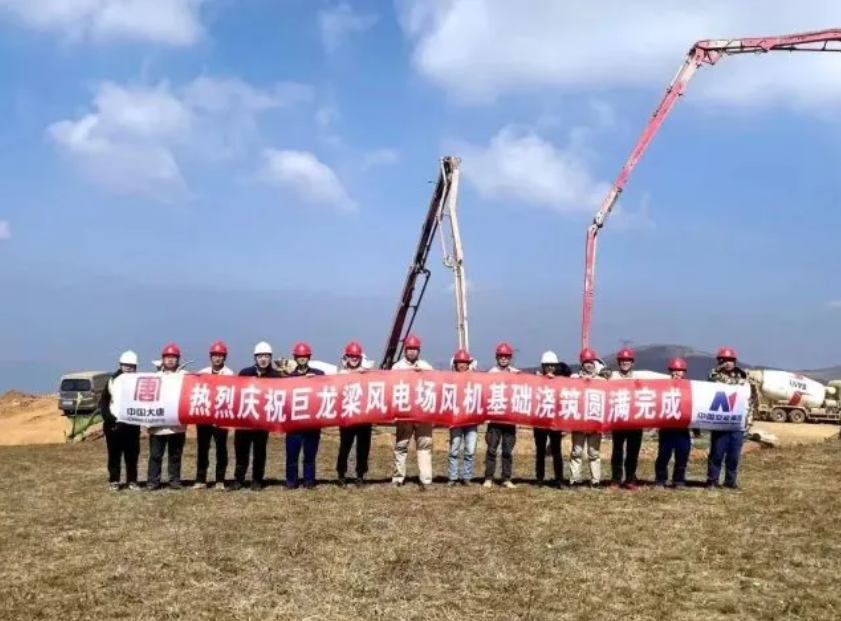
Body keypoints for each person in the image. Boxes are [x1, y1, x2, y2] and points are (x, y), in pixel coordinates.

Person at [234, 341, 282, 491]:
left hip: (262, 422)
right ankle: (239, 480)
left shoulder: (276, 376)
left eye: (266, 356)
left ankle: (257, 480)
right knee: (241, 451)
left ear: (270, 358)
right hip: (244, 420)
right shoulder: (244, 373)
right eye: (260, 356)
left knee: (259, 452)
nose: (263, 359)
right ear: (255, 357)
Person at [391, 334, 434, 490]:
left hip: (423, 413)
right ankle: (398, 478)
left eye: (415, 349)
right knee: (401, 445)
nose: (412, 351)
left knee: (424, 446)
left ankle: (426, 479)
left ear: (419, 350)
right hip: (405, 413)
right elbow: (390, 385)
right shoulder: (397, 367)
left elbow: (436, 383)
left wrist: (423, 373)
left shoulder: (426, 366)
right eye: (409, 348)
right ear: (405, 350)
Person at [193, 341, 234, 490]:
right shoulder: (202, 373)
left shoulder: (230, 374)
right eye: (215, 355)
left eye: (221, 355)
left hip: (221, 417)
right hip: (204, 417)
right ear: (210, 357)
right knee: (202, 448)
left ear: (225, 357)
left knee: (221, 448)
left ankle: (220, 480)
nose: (218, 358)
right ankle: (200, 479)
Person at [706, 346, 749, 489]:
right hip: (720, 422)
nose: (728, 363)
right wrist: (718, 369)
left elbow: (749, 398)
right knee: (717, 453)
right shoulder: (715, 375)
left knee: (734, 455)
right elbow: (710, 378)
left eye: (730, 360)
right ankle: (712, 480)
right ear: (719, 361)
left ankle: (730, 481)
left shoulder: (743, 376)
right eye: (724, 360)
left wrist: (748, 421)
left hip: (737, 423)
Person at [147, 343, 187, 490]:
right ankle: (153, 481)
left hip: (177, 425)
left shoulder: (185, 377)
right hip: (158, 425)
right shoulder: (155, 377)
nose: (170, 360)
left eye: (173, 357)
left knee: (175, 455)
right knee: (155, 455)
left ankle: (174, 480)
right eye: (167, 357)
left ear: (178, 359)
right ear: (162, 359)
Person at [285, 342, 325, 490]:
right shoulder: (290, 378)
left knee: (310, 455)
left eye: (305, 356)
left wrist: (315, 380)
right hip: (294, 424)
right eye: (299, 356)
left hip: (312, 423)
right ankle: (291, 482)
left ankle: (309, 481)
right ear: (295, 358)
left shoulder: (318, 374)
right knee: (292, 455)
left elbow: (327, 387)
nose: (302, 358)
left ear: (309, 357)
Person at [100, 350, 140, 491]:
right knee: (114, 455)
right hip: (113, 425)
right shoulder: (112, 380)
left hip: (132, 424)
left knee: (132, 455)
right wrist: (109, 418)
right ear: (120, 365)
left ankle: (132, 481)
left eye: (132, 365)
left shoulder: (139, 381)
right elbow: (103, 402)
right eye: (126, 365)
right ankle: (114, 481)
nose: (129, 368)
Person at [483, 342, 520, 489]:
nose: (503, 358)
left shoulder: (516, 374)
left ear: (510, 358)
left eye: (506, 356)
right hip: (495, 418)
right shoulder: (490, 374)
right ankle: (488, 478)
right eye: (501, 356)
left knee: (507, 451)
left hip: (510, 419)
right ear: (496, 357)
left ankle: (506, 478)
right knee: (491, 449)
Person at [336, 341, 371, 488]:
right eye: (351, 356)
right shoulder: (340, 374)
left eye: (356, 356)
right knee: (345, 446)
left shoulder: (367, 373)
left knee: (363, 448)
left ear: (360, 357)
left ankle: (360, 475)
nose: (354, 358)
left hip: (364, 417)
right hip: (347, 416)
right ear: (347, 357)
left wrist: (366, 374)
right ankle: (341, 474)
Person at [533, 351, 570, 488]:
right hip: (540, 420)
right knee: (540, 451)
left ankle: (559, 479)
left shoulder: (560, 379)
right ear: (543, 366)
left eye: (552, 365)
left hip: (555, 421)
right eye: (547, 365)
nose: (550, 367)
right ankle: (539, 479)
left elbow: (568, 370)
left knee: (556, 451)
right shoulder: (536, 379)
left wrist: (555, 376)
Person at [569, 347, 605, 488]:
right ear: (582, 363)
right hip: (579, 421)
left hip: (595, 421)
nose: (588, 365)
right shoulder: (574, 379)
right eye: (586, 362)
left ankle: (596, 480)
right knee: (576, 452)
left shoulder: (602, 380)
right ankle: (574, 479)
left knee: (594, 453)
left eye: (591, 362)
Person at [609, 347, 643, 490]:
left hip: (635, 421)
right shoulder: (612, 377)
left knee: (633, 452)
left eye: (628, 360)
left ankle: (630, 479)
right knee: (617, 451)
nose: (625, 362)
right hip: (618, 420)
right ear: (618, 362)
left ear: (632, 362)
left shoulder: (640, 378)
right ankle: (616, 479)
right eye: (622, 360)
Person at [655, 357, 692, 488]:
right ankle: (660, 480)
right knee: (663, 455)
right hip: (666, 427)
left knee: (682, 454)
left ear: (684, 372)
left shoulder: (690, 387)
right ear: (669, 371)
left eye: (679, 370)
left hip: (683, 428)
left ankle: (678, 480)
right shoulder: (663, 387)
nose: (676, 373)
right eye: (674, 370)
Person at [447, 348, 478, 486]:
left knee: (470, 450)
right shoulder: (450, 379)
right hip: (456, 419)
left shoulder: (475, 379)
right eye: (459, 362)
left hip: (471, 419)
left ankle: (467, 477)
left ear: (468, 364)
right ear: (455, 364)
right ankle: (453, 477)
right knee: (454, 449)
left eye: (464, 362)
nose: (462, 365)